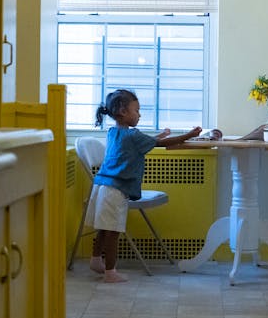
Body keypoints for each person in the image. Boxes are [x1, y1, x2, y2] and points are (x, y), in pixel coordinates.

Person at [84, 89, 202, 283]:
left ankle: (96, 260)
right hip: (116, 189)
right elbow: (159, 144)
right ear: (123, 111)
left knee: (104, 228)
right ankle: (110, 272)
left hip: (102, 186)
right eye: (137, 110)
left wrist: (160, 135)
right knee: (113, 232)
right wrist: (188, 135)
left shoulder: (114, 132)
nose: (139, 114)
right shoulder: (132, 136)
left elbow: (147, 141)